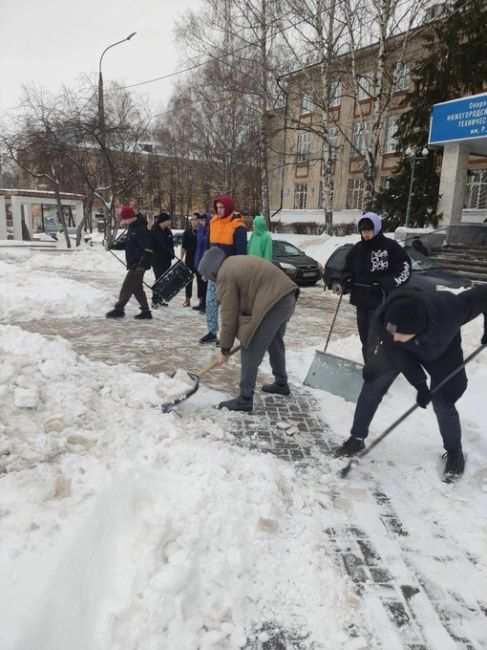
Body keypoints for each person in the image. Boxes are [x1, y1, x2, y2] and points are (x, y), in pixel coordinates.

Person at [334, 284, 487, 479]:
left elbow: (484, 294)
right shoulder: (386, 321)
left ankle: (454, 451)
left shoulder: (452, 309)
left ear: (418, 328)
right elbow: (398, 351)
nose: (395, 335)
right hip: (397, 351)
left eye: (401, 333)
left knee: (443, 400)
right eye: (392, 331)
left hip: (442, 351)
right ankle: (356, 438)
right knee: (373, 383)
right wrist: (420, 385)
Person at [198, 247, 299, 412]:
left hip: (274, 302)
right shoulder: (232, 263)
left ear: (212, 271)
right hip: (287, 296)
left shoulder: (225, 276)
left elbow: (229, 315)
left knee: (250, 345)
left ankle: (245, 399)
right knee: (274, 342)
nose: (204, 279)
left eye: (206, 275)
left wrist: (224, 349)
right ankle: (281, 383)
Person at [344, 212, 411, 361]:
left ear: (377, 228)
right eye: (363, 231)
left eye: (369, 230)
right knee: (365, 338)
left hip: (381, 301)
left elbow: (404, 269)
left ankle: (373, 369)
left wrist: (383, 283)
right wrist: (347, 280)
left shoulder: (390, 247)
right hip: (361, 301)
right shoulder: (357, 249)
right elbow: (346, 269)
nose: (366, 234)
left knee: (373, 339)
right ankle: (371, 365)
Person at [200, 195, 247, 344]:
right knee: (211, 303)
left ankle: (229, 336)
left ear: (229, 207)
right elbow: (207, 249)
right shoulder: (213, 223)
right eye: (217, 207)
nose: (219, 210)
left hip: (229, 275)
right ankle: (212, 332)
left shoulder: (238, 227)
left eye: (222, 207)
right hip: (214, 274)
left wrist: (239, 275)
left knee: (228, 308)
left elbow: (241, 255)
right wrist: (205, 270)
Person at [106, 205, 154, 320]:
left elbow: (148, 248)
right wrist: (113, 246)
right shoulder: (132, 227)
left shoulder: (141, 229)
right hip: (134, 263)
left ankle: (119, 309)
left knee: (127, 286)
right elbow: (127, 244)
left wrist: (142, 265)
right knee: (137, 289)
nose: (123, 221)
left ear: (130, 217)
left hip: (138, 265)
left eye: (124, 218)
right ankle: (146, 311)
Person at [150, 212, 174, 307]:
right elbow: (151, 246)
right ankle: (154, 300)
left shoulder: (168, 231)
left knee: (165, 280)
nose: (170, 222)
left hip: (167, 260)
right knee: (159, 279)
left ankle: (161, 298)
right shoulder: (154, 231)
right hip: (157, 260)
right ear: (163, 221)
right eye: (168, 221)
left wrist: (172, 254)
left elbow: (170, 245)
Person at [193, 211, 211, 313]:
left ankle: (205, 305)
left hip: (205, 259)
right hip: (198, 258)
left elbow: (204, 241)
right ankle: (201, 303)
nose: (201, 222)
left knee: (205, 284)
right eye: (200, 220)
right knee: (200, 283)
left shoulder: (209, 230)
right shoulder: (200, 229)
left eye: (203, 220)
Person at [180, 214, 199, 306]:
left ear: (199, 220)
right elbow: (183, 247)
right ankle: (187, 299)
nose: (193, 221)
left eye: (195, 219)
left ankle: (201, 300)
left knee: (201, 280)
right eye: (192, 220)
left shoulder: (202, 232)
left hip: (199, 259)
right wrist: (181, 258)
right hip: (189, 259)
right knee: (188, 280)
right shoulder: (187, 232)